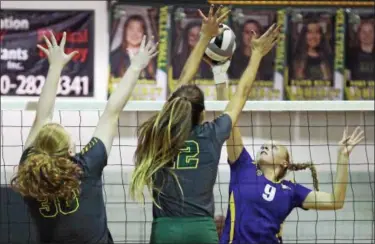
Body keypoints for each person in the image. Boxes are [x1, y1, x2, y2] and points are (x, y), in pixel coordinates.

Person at [129, 4, 280, 243]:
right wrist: (257, 55)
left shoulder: (160, 131)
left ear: (174, 106)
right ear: (202, 113)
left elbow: (182, 84)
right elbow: (241, 93)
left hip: (166, 229)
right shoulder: (212, 133)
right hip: (202, 230)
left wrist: (204, 37)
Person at [11, 32, 157, 244]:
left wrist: (54, 66)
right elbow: (112, 111)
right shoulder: (86, 166)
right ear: (70, 151)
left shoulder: (28, 172)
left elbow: (41, 117)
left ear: (39, 147)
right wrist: (135, 66)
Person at [210, 56, 364, 244]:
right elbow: (228, 118)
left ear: (285, 162)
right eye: (264, 145)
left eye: (273, 147)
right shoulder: (244, 167)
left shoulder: (291, 191)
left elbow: (335, 201)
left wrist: (342, 157)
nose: (266, 146)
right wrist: (219, 78)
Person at [110, 15, 156, 80]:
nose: (134, 34)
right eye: (131, 29)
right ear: (125, 31)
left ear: (144, 34)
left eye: (139, 30)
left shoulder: (152, 57)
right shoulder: (115, 56)